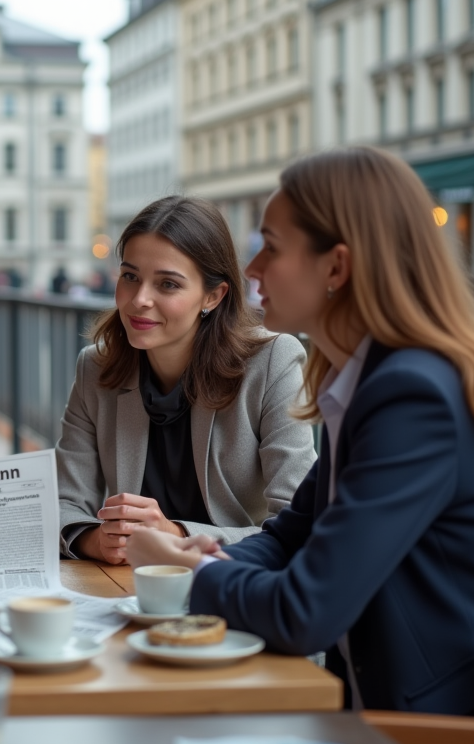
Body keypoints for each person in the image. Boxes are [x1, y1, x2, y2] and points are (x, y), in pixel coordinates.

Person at [128, 148, 474, 744]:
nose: (253, 267)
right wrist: (205, 554)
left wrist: (190, 573)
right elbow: (290, 538)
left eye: (271, 245)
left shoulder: (413, 394)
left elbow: (304, 612)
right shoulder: (372, 380)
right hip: (394, 716)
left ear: (337, 267)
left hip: (470, 742)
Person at [59, 196, 316, 564]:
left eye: (167, 284)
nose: (139, 300)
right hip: (130, 589)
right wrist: (95, 540)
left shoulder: (273, 362)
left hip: (236, 586)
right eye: (130, 277)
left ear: (213, 295)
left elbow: (299, 523)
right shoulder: (95, 369)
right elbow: (64, 504)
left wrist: (176, 534)